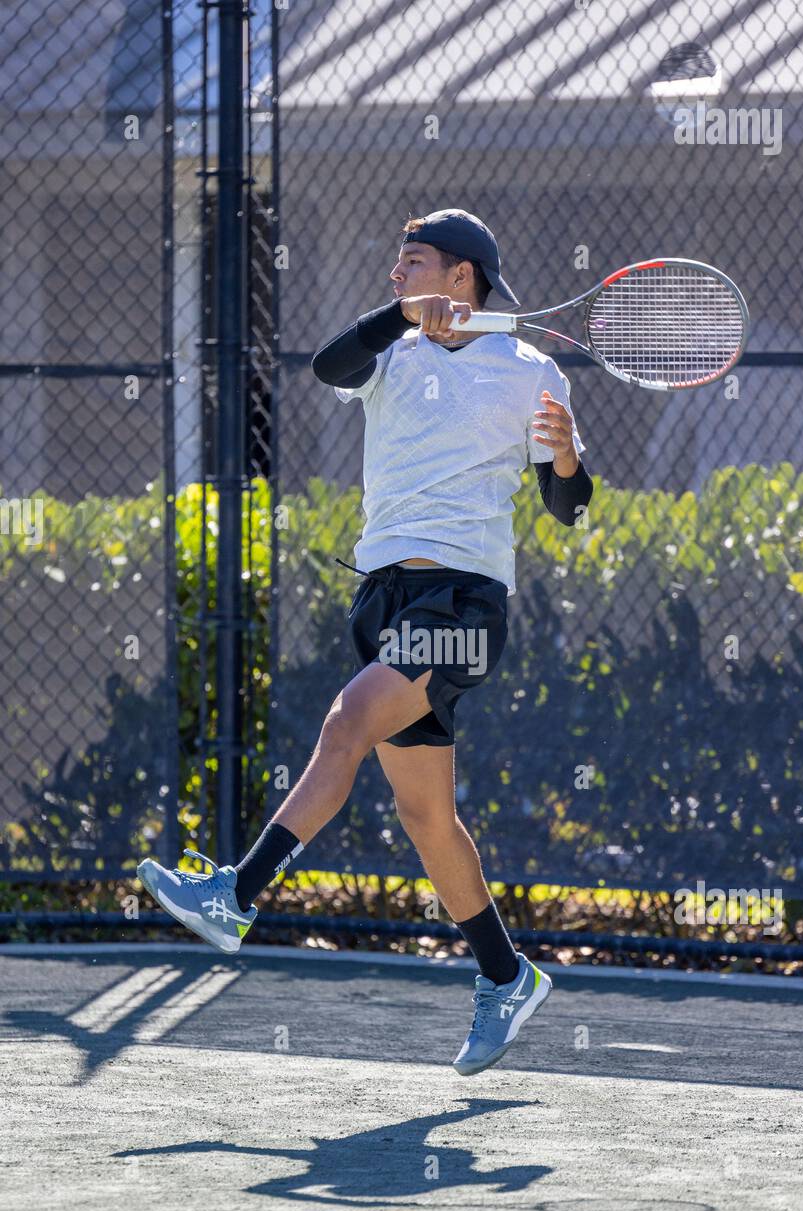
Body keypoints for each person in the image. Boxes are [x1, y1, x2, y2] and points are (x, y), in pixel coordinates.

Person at [138, 209, 593, 1075]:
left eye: (412, 262)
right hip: (384, 598)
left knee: (348, 721)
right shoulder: (391, 354)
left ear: (461, 275)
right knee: (427, 818)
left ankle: (236, 892)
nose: (395, 274)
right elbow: (326, 365)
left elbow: (565, 506)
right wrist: (402, 316)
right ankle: (507, 977)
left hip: (463, 607)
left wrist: (566, 458)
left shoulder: (531, 373)